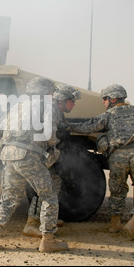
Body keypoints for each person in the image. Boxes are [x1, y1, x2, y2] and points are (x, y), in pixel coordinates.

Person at [0, 77, 68, 252]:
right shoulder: (46, 105)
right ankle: (47, 240)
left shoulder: (18, 106)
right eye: (51, 92)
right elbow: (50, 134)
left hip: (8, 156)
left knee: (9, 198)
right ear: (45, 92)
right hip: (28, 156)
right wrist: (54, 144)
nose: (52, 95)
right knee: (49, 196)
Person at [65, 84, 134, 240]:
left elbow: (87, 127)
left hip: (118, 157)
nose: (103, 102)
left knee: (117, 190)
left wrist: (67, 126)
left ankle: (114, 224)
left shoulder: (108, 116)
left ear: (113, 99)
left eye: (105, 99)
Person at [22, 83, 80, 238]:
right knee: (44, 189)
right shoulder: (52, 111)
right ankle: (31, 224)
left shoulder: (56, 111)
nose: (73, 104)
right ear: (61, 99)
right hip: (43, 155)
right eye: (71, 101)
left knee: (54, 185)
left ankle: (46, 219)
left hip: (49, 156)